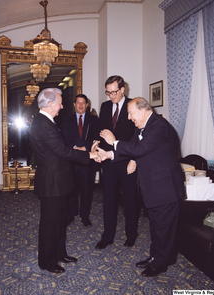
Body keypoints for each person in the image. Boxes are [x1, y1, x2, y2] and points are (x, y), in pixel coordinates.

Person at [97, 97, 185, 277]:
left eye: (130, 113)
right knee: (157, 226)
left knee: (163, 228)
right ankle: (157, 257)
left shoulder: (158, 126)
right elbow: (132, 148)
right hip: (155, 187)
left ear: (143, 110)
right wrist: (108, 155)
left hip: (165, 188)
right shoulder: (144, 127)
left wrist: (114, 141)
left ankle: (160, 263)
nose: (129, 118)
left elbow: (138, 150)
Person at [28, 88, 99, 274]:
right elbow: (63, 151)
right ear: (50, 104)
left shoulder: (44, 121)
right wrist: (90, 155)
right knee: (50, 224)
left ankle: (59, 254)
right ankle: (47, 261)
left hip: (56, 181)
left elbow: (59, 150)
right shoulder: (44, 124)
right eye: (59, 102)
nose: (61, 106)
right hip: (52, 183)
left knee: (59, 222)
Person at [95, 75, 138, 250]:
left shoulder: (133, 106)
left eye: (114, 92)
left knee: (130, 199)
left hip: (127, 161)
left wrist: (134, 160)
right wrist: (96, 149)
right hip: (108, 161)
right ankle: (108, 236)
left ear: (122, 90)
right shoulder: (105, 107)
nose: (111, 96)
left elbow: (137, 137)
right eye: (108, 92)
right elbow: (102, 132)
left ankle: (131, 235)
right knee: (109, 199)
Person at [61, 94, 99, 227]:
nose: (81, 105)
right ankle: (71, 214)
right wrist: (74, 147)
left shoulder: (94, 120)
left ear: (87, 105)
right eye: (78, 103)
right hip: (72, 159)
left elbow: (96, 137)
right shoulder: (67, 120)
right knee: (71, 189)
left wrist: (85, 147)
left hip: (88, 160)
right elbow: (64, 137)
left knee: (87, 189)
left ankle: (85, 216)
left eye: (83, 103)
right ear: (74, 104)